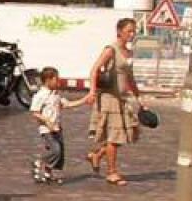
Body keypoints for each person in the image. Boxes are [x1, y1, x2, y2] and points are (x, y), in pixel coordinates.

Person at [85, 18, 145, 186]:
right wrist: (91, 91)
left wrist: (139, 98)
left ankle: (96, 155)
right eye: (129, 31)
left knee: (128, 133)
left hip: (122, 99)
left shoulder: (129, 53)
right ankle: (111, 172)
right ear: (119, 31)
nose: (132, 34)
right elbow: (95, 69)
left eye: (134, 31)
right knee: (114, 137)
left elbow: (130, 78)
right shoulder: (111, 50)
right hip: (109, 98)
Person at [29, 67, 88, 184]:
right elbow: (35, 112)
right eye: (56, 79)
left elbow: (67, 104)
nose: (58, 82)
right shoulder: (41, 95)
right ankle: (39, 162)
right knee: (56, 150)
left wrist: (84, 100)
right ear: (48, 80)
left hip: (57, 128)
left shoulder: (56, 95)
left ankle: (47, 174)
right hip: (46, 129)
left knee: (60, 154)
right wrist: (47, 121)